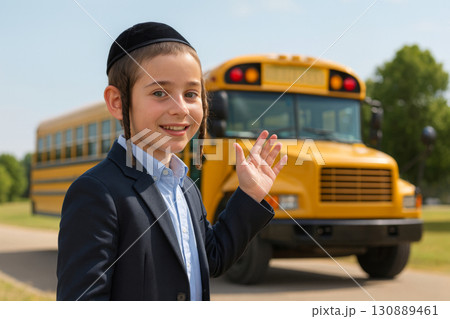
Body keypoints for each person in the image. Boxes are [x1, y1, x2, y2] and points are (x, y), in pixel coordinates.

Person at [56, 22, 287, 301]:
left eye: (191, 94)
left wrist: (249, 194)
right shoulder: (97, 192)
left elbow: (212, 259)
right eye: (159, 93)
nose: (180, 109)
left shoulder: (185, 187)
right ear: (117, 102)